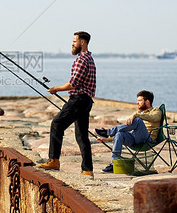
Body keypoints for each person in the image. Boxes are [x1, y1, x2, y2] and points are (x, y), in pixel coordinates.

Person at [39, 31, 96, 177]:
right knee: (81, 136)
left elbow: (74, 83)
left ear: (82, 42)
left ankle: (54, 160)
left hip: (78, 100)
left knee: (57, 124)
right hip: (86, 101)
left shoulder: (82, 60)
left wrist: (56, 89)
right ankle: (87, 170)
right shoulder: (89, 58)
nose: (72, 43)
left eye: (74, 41)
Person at [95, 90, 162, 173]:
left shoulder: (156, 111)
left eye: (140, 101)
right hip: (134, 138)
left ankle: (108, 131)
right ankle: (114, 164)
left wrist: (136, 114)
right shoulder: (140, 113)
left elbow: (153, 118)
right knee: (120, 134)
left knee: (137, 121)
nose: (137, 103)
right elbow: (127, 128)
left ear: (147, 101)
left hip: (147, 140)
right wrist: (108, 139)